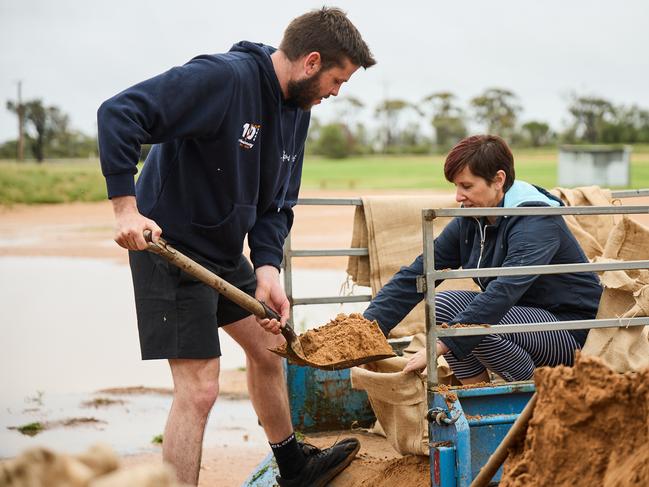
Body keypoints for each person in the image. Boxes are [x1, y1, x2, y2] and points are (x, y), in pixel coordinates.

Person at [97, 7, 375, 486]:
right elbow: (119, 113)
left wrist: (267, 267)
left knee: (269, 348)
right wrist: (126, 207)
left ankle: (294, 468)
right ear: (311, 61)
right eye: (337, 79)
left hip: (225, 253)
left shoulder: (297, 112)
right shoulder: (223, 79)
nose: (336, 92)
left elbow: (277, 202)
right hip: (169, 246)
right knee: (200, 388)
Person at [363, 135, 602, 383]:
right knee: (444, 308)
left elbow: (505, 290)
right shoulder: (474, 217)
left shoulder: (535, 218)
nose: (457, 196)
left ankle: (530, 402)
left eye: (466, 186)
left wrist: (443, 345)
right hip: (519, 319)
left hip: (570, 333)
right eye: (456, 186)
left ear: (498, 180)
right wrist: (365, 330)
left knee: (460, 317)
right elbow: (419, 272)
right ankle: (477, 405)